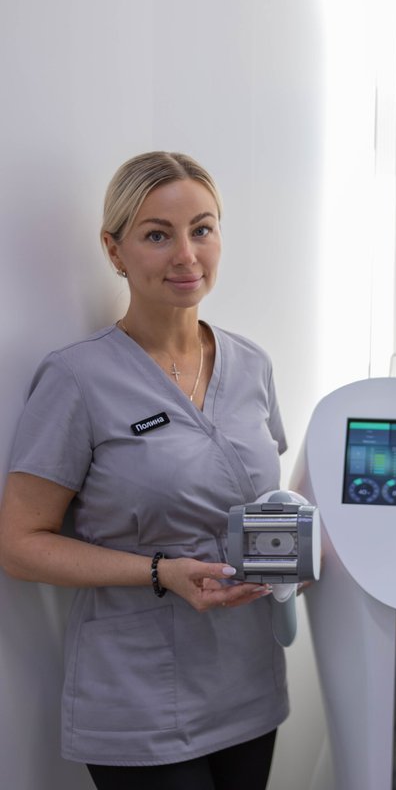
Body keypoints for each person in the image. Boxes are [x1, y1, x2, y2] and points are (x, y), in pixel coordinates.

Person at [0, 151, 289, 790]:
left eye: (202, 229)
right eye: (158, 235)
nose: (186, 255)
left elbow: (259, 500)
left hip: (247, 681)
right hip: (140, 699)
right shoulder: (78, 378)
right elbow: (19, 545)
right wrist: (160, 572)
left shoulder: (252, 365)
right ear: (115, 250)